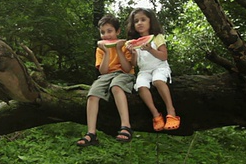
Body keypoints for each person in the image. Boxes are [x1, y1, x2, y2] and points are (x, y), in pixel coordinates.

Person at [76, 14, 136, 147]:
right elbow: (103, 71)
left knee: (116, 87)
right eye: (103, 32)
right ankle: (91, 133)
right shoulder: (100, 49)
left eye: (110, 31)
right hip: (106, 75)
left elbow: (127, 69)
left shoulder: (125, 46)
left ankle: (126, 125)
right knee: (92, 94)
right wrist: (107, 52)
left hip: (123, 74)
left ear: (118, 31)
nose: (106, 35)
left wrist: (119, 49)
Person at [126, 8, 180, 131]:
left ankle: (171, 111)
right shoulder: (132, 43)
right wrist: (133, 53)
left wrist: (150, 49)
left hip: (159, 67)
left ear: (151, 21)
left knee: (158, 81)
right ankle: (156, 114)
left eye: (143, 20)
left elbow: (164, 56)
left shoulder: (157, 37)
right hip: (144, 71)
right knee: (140, 86)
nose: (139, 23)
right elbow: (134, 64)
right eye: (136, 21)